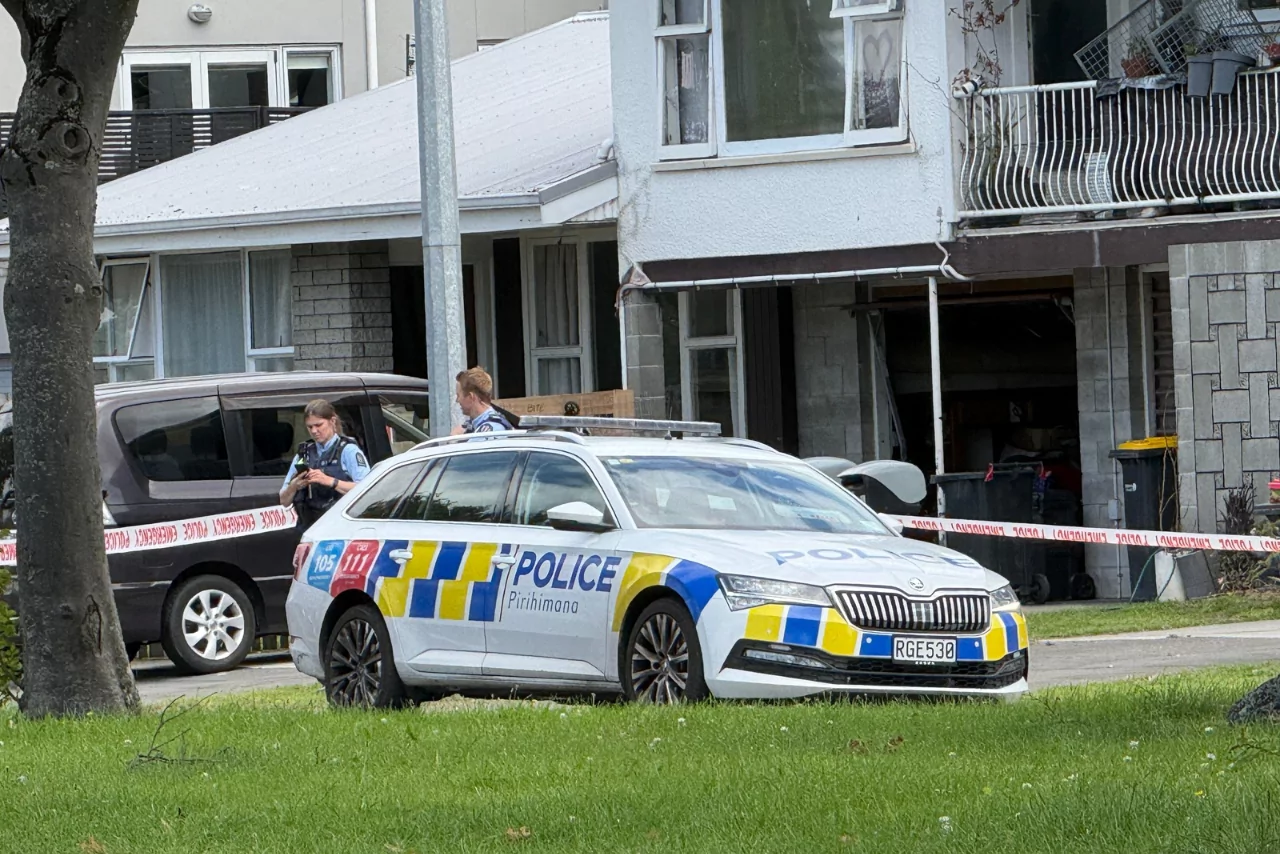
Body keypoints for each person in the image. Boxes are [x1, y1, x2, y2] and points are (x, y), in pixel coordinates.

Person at [279, 399, 371, 528]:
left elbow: (367, 490)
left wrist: (330, 481)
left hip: (340, 528)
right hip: (309, 527)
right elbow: (284, 501)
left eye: (319, 425)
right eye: (310, 427)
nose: (314, 431)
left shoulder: (348, 450)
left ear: (332, 421)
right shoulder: (303, 454)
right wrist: (294, 485)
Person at [451, 366, 515, 435]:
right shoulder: (474, 424)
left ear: (471, 397)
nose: (457, 400)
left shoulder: (491, 430)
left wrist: (454, 440)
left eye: (458, 395)